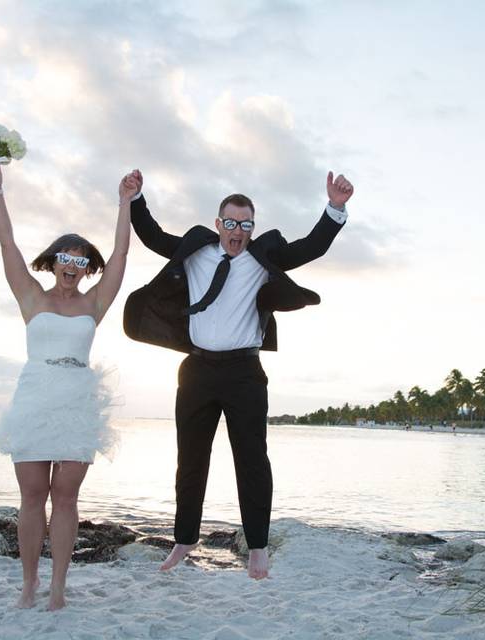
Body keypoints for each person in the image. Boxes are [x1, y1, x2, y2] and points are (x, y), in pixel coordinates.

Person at [124, 170, 353, 579]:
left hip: (244, 372)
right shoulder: (196, 250)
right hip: (196, 370)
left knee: (251, 460)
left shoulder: (261, 256)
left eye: (246, 224)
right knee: (190, 460)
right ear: (218, 224)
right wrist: (136, 198)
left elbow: (311, 247)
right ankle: (184, 539)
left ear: (252, 227)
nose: (238, 230)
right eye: (230, 222)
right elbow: (154, 237)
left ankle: (258, 546)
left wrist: (335, 207)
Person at [0, 162, 137, 610]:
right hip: (34, 397)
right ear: (53, 262)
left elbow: (122, 256)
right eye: (64, 258)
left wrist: (124, 203)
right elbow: (7, 243)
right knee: (32, 496)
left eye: (80, 259)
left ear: (87, 268)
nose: (71, 265)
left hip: (75, 401)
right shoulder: (32, 296)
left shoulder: (95, 301)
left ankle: (58, 588)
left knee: (66, 497)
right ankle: (29, 584)